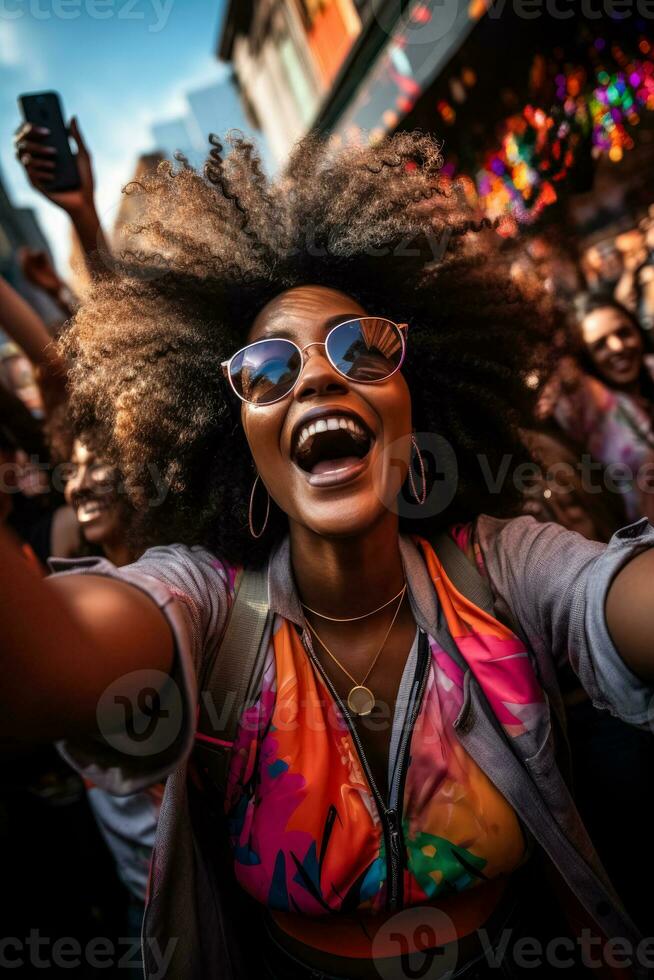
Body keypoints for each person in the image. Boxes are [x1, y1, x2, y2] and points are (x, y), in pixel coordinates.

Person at [2, 131, 654, 980]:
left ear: (416, 402)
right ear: (232, 437)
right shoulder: (203, 610)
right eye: (266, 370)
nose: (315, 379)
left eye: (360, 349)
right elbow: (30, 671)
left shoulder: (503, 572)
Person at [555, 295, 654, 524]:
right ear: (585, 357)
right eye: (600, 345)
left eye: (623, 333)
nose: (617, 347)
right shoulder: (590, 408)